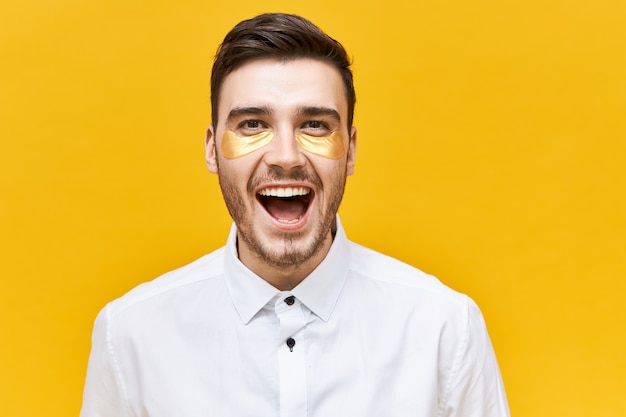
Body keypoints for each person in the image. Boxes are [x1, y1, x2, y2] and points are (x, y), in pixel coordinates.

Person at [80, 12, 510, 417]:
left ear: (351, 150)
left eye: (315, 125)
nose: (286, 157)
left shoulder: (446, 329)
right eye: (251, 124)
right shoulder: (129, 335)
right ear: (212, 149)